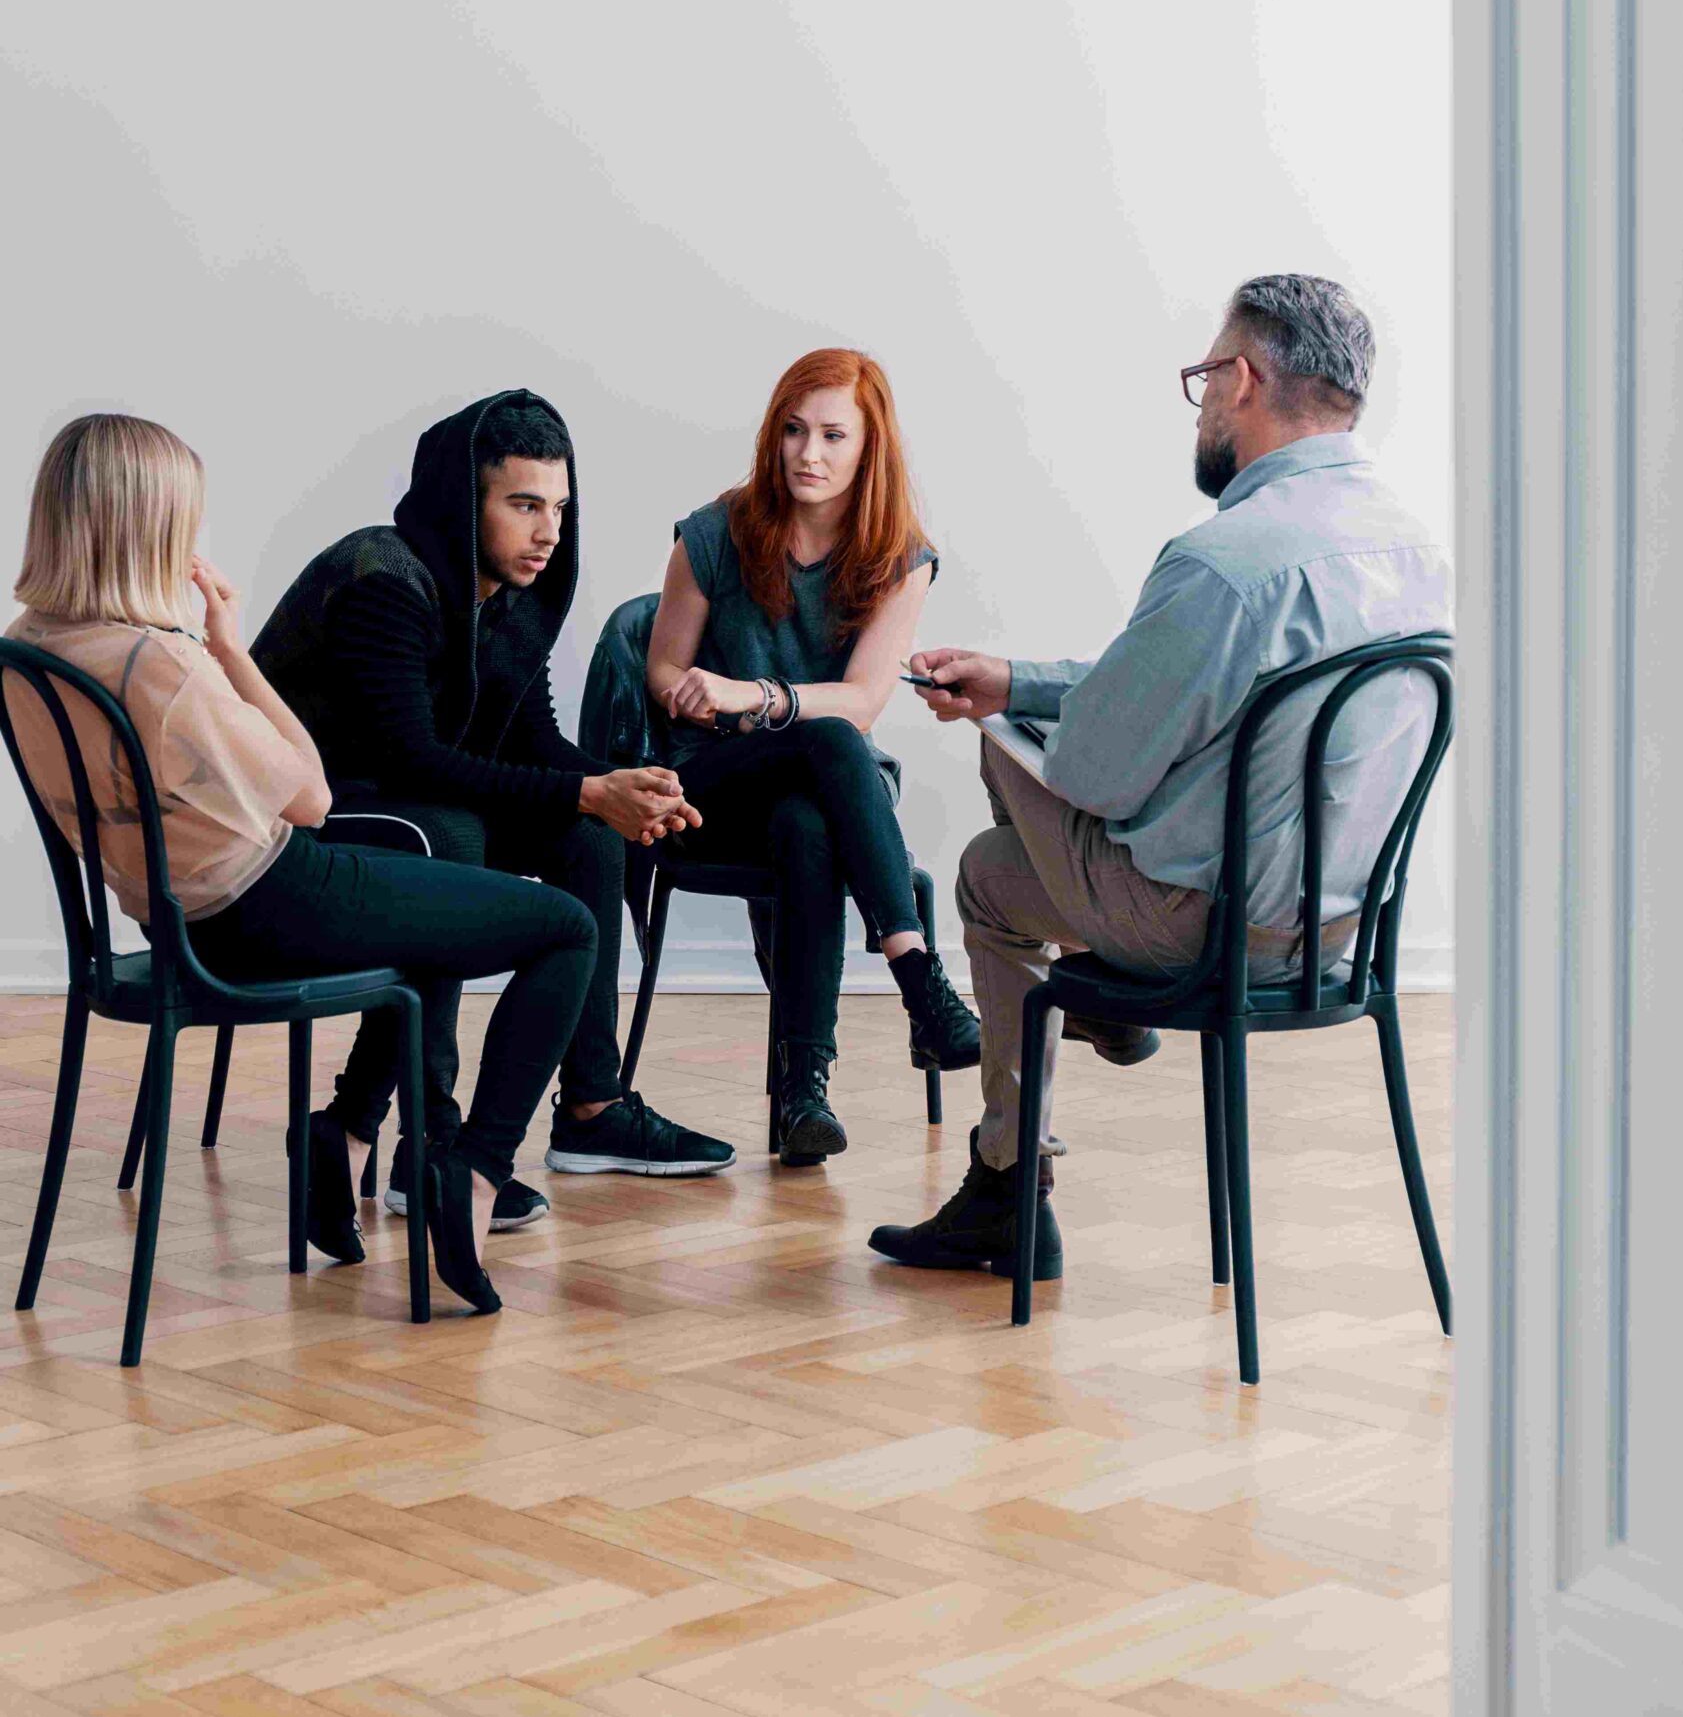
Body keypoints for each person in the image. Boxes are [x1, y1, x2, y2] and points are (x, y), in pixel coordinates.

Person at [867, 274, 1453, 1282]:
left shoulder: (1225, 560)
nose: (1201, 403)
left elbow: (1098, 773)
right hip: (1341, 933)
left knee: (989, 861)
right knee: (1021, 745)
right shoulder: (1418, 549)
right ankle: (1091, 1013)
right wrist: (1023, 677)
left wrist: (1005, 708)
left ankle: (1010, 1182)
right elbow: (1196, 699)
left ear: (1244, 378)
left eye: (1204, 377)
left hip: (1205, 931)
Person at [5, 412, 606, 1314]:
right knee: (566, 927)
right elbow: (312, 798)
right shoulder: (162, 665)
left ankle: (351, 1136)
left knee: (444, 887)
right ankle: (474, 1173)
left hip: (174, 923)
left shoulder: (29, 647)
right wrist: (228, 651)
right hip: (270, 903)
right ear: (148, 524)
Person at [251, 390, 733, 1213]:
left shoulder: (506, 594)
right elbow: (411, 756)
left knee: (589, 837)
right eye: (523, 505)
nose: (549, 532)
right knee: (453, 837)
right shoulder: (382, 577)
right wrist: (589, 790)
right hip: (300, 819)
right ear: (462, 501)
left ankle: (592, 1107)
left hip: (408, 804)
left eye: (558, 508)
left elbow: (530, 739)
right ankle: (427, 1145)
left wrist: (625, 790)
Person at [648, 348, 981, 1166]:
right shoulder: (715, 532)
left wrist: (753, 694)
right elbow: (660, 666)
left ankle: (803, 1094)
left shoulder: (899, 557)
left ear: (869, 448)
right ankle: (920, 983)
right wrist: (695, 694)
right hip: (712, 780)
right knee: (830, 738)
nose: (808, 454)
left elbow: (864, 699)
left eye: (833, 436)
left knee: (808, 819)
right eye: (793, 431)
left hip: (827, 794)